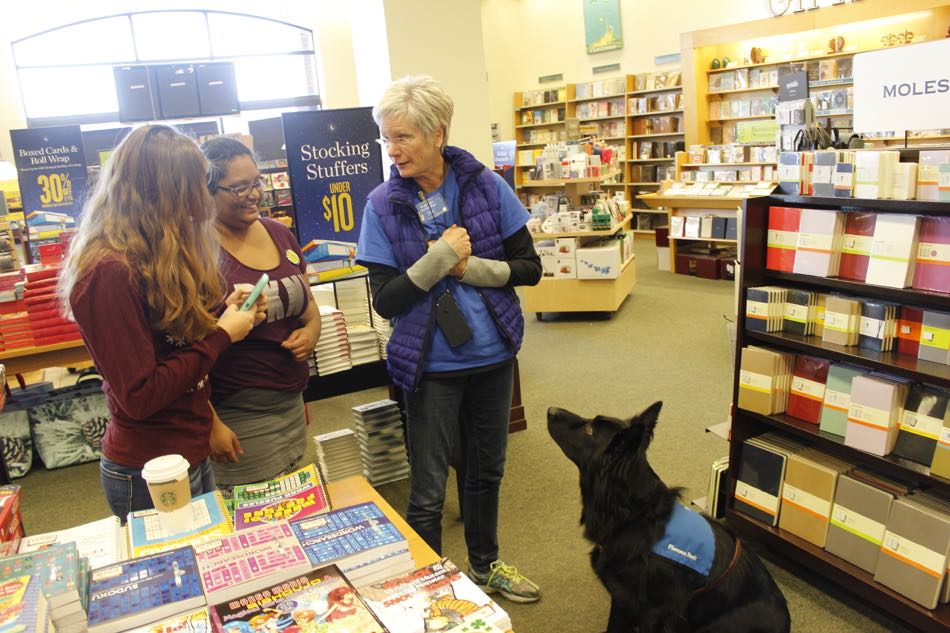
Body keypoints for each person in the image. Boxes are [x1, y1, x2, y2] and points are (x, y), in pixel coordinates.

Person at [356, 75, 543, 603]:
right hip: (430, 367)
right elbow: (385, 299)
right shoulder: (381, 205)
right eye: (386, 139)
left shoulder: (486, 185)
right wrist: (436, 260)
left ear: (437, 133)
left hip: (493, 357)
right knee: (429, 488)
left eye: (403, 138)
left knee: (487, 471)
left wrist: (468, 269)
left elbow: (529, 269)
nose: (393, 151)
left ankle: (486, 566)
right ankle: (429, 585)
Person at [58, 125, 259, 519]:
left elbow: (170, 343)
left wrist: (220, 315)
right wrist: (221, 336)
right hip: (147, 470)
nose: (204, 198)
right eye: (196, 186)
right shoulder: (108, 272)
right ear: (166, 193)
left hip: (190, 452)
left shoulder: (156, 252)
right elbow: (140, 395)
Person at [200, 136, 321, 494]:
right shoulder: (199, 254)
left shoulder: (280, 233)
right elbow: (186, 348)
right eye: (239, 188)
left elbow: (306, 304)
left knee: (294, 506)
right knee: (255, 516)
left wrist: (312, 331)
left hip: (291, 404)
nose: (254, 195)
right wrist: (210, 424)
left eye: (256, 183)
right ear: (208, 191)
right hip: (239, 415)